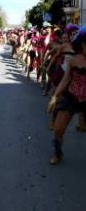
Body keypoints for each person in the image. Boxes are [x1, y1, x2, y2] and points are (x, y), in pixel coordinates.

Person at [47, 26, 86, 165]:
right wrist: (54, 97)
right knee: (58, 130)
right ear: (82, 43)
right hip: (71, 97)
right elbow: (66, 80)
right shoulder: (74, 59)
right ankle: (58, 153)